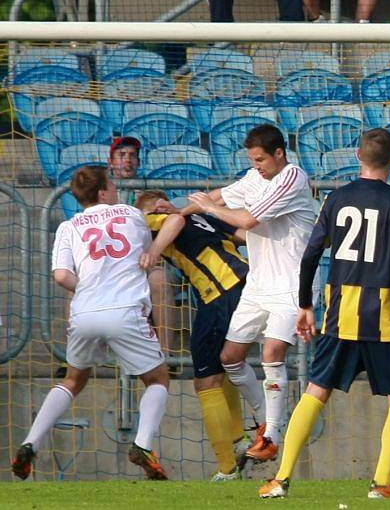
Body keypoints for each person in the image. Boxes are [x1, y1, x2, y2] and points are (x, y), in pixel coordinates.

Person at [259, 128, 390, 499]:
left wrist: (305, 304)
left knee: (316, 390)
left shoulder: (335, 198)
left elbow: (311, 253)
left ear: (358, 157)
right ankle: (381, 483)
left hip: (339, 314)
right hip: (384, 315)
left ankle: (280, 479)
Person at [12, 166, 170, 481]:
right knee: (157, 379)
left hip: (83, 311)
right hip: (125, 309)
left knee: (73, 380)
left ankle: (31, 441)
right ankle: (143, 445)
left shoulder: (69, 227)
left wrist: (86, 288)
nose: (115, 189)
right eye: (111, 185)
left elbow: (60, 276)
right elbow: (147, 245)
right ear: (102, 192)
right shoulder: (129, 214)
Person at [180, 124, 317, 468]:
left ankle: (271, 435)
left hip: (293, 284)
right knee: (230, 357)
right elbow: (217, 198)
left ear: (279, 154)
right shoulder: (254, 177)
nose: (256, 165)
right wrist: (175, 212)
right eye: (252, 160)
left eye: (260, 159)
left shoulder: (292, 178)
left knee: (272, 352)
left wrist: (207, 209)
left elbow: (247, 219)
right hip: (258, 284)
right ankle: (265, 418)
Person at [136, 190, 250, 481]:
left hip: (220, 293)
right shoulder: (203, 217)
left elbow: (173, 223)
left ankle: (227, 468)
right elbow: (246, 237)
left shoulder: (161, 219)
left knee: (205, 382)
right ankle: (240, 439)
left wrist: (154, 249)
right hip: (247, 284)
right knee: (223, 366)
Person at [107, 136, 177, 353]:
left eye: (132, 156)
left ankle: (165, 355)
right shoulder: (103, 194)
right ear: (111, 162)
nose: (127, 160)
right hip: (109, 263)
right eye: (121, 155)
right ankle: (72, 357)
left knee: (161, 279)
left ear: (138, 162)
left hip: (147, 262)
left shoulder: (151, 194)